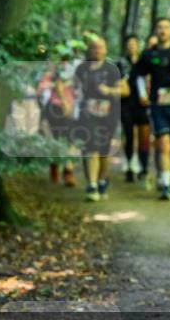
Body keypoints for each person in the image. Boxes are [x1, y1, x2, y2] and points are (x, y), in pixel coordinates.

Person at [136, 19, 170, 200]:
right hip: (157, 105)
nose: (163, 30)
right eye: (159, 27)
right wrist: (143, 94)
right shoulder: (149, 54)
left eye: (166, 27)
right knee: (163, 143)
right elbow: (140, 76)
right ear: (155, 31)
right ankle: (165, 184)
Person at [74, 35, 128, 201]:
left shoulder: (112, 69)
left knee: (103, 150)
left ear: (105, 50)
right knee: (90, 147)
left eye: (100, 47)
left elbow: (126, 91)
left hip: (108, 115)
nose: (97, 50)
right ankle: (92, 185)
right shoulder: (81, 68)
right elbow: (74, 88)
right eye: (94, 47)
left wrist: (109, 91)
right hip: (86, 114)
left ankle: (102, 179)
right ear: (89, 50)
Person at [38, 48, 79, 187]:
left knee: (71, 140)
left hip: (72, 108)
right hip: (55, 108)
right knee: (57, 138)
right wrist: (62, 97)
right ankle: (55, 164)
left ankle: (68, 171)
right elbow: (41, 87)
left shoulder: (74, 70)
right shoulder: (51, 71)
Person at [118, 34, 152, 185]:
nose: (132, 46)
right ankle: (130, 166)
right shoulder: (121, 63)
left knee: (144, 137)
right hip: (126, 104)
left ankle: (144, 167)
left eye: (134, 43)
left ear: (138, 45)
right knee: (129, 136)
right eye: (129, 43)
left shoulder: (145, 61)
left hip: (143, 105)